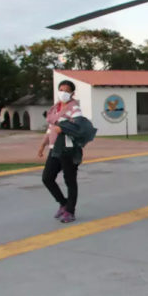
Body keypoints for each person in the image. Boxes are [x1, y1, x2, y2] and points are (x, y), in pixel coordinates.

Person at [38, 80, 83, 223]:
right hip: (54, 149)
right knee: (47, 178)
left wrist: (63, 128)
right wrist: (43, 145)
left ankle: (70, 211)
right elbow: (50, 128)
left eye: (66, 90)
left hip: (68, 149)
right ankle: (63, 203)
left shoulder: (75, 109)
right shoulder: (54, 109)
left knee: (70, 181)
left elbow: (78, 127)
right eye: (61, 89)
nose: (63, 93)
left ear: (72, 93)